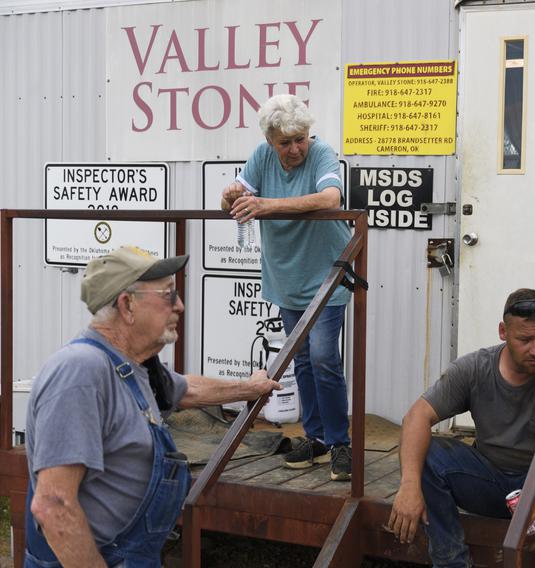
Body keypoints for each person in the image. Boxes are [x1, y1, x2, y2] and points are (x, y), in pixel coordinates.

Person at [25, 245, 281, 567]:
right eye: (168, 295)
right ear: (128, 305)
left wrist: (250, 388)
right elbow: (53, 504)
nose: (180, 306)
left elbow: (188, 389)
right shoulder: (81, 371)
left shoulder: (136, 367)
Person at [388, 288, 535, 567]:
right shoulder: (473, 368)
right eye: (525, 339)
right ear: (503, 332)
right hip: (489, 482)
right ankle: (450, 562)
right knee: (426, 452)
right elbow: (416, 417)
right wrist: (409, 486)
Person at [221, 93, 353, 481]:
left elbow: (332, 198)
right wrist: (232, 195)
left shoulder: (322, 153)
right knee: (304, 361)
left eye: (301, 138)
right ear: (269, 141)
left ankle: (340, 442)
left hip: (327, 276)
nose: (296, 148)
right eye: (286, 142)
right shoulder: (261, 158)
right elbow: (235, 192)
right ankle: (315, 439)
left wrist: (265, 206)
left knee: (325, 357)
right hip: (286, 277)